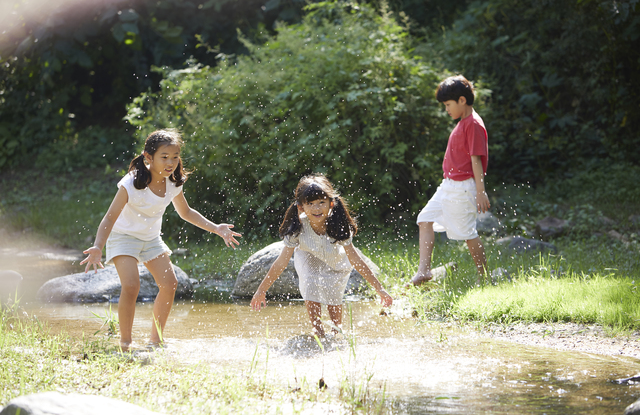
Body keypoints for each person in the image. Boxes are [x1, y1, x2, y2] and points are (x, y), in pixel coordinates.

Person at [81, 129, 241, 351]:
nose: (171, 163)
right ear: (148, 157)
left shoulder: (173, 183)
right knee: (131, 285)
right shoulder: (132, 183)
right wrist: (98, 246)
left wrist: (216, 228)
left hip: (151, 239)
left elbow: (186, 213)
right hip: (124, 237)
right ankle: (125, 343)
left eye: (175, 157)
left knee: (170, 284)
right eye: (164, 157)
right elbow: (109, 217)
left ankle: (155, 341)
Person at [250, 174, 393, 337]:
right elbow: (281, 262)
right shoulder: (297, 227)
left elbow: (355, 258)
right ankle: (318, 330)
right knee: (310, 281)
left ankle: (336, 330)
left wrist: (379, 289)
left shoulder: (339, 224)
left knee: (333, 293)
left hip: (335, 258)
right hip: (308, 255)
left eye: (321, 203)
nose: (316, 209)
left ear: (331, 203)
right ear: (301, 207)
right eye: (310, 204)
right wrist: (261, 290)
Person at [408, 75, 490, 287]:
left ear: (462, 100)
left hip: (463, 187)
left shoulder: (473, 124)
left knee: (468, 233)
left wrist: (480, 192)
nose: (446, 109)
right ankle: (424, 271)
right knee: (424, 219)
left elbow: (476, 160)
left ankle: (485, 276)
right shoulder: (463, 122)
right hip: (448, 185)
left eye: (448, 104)